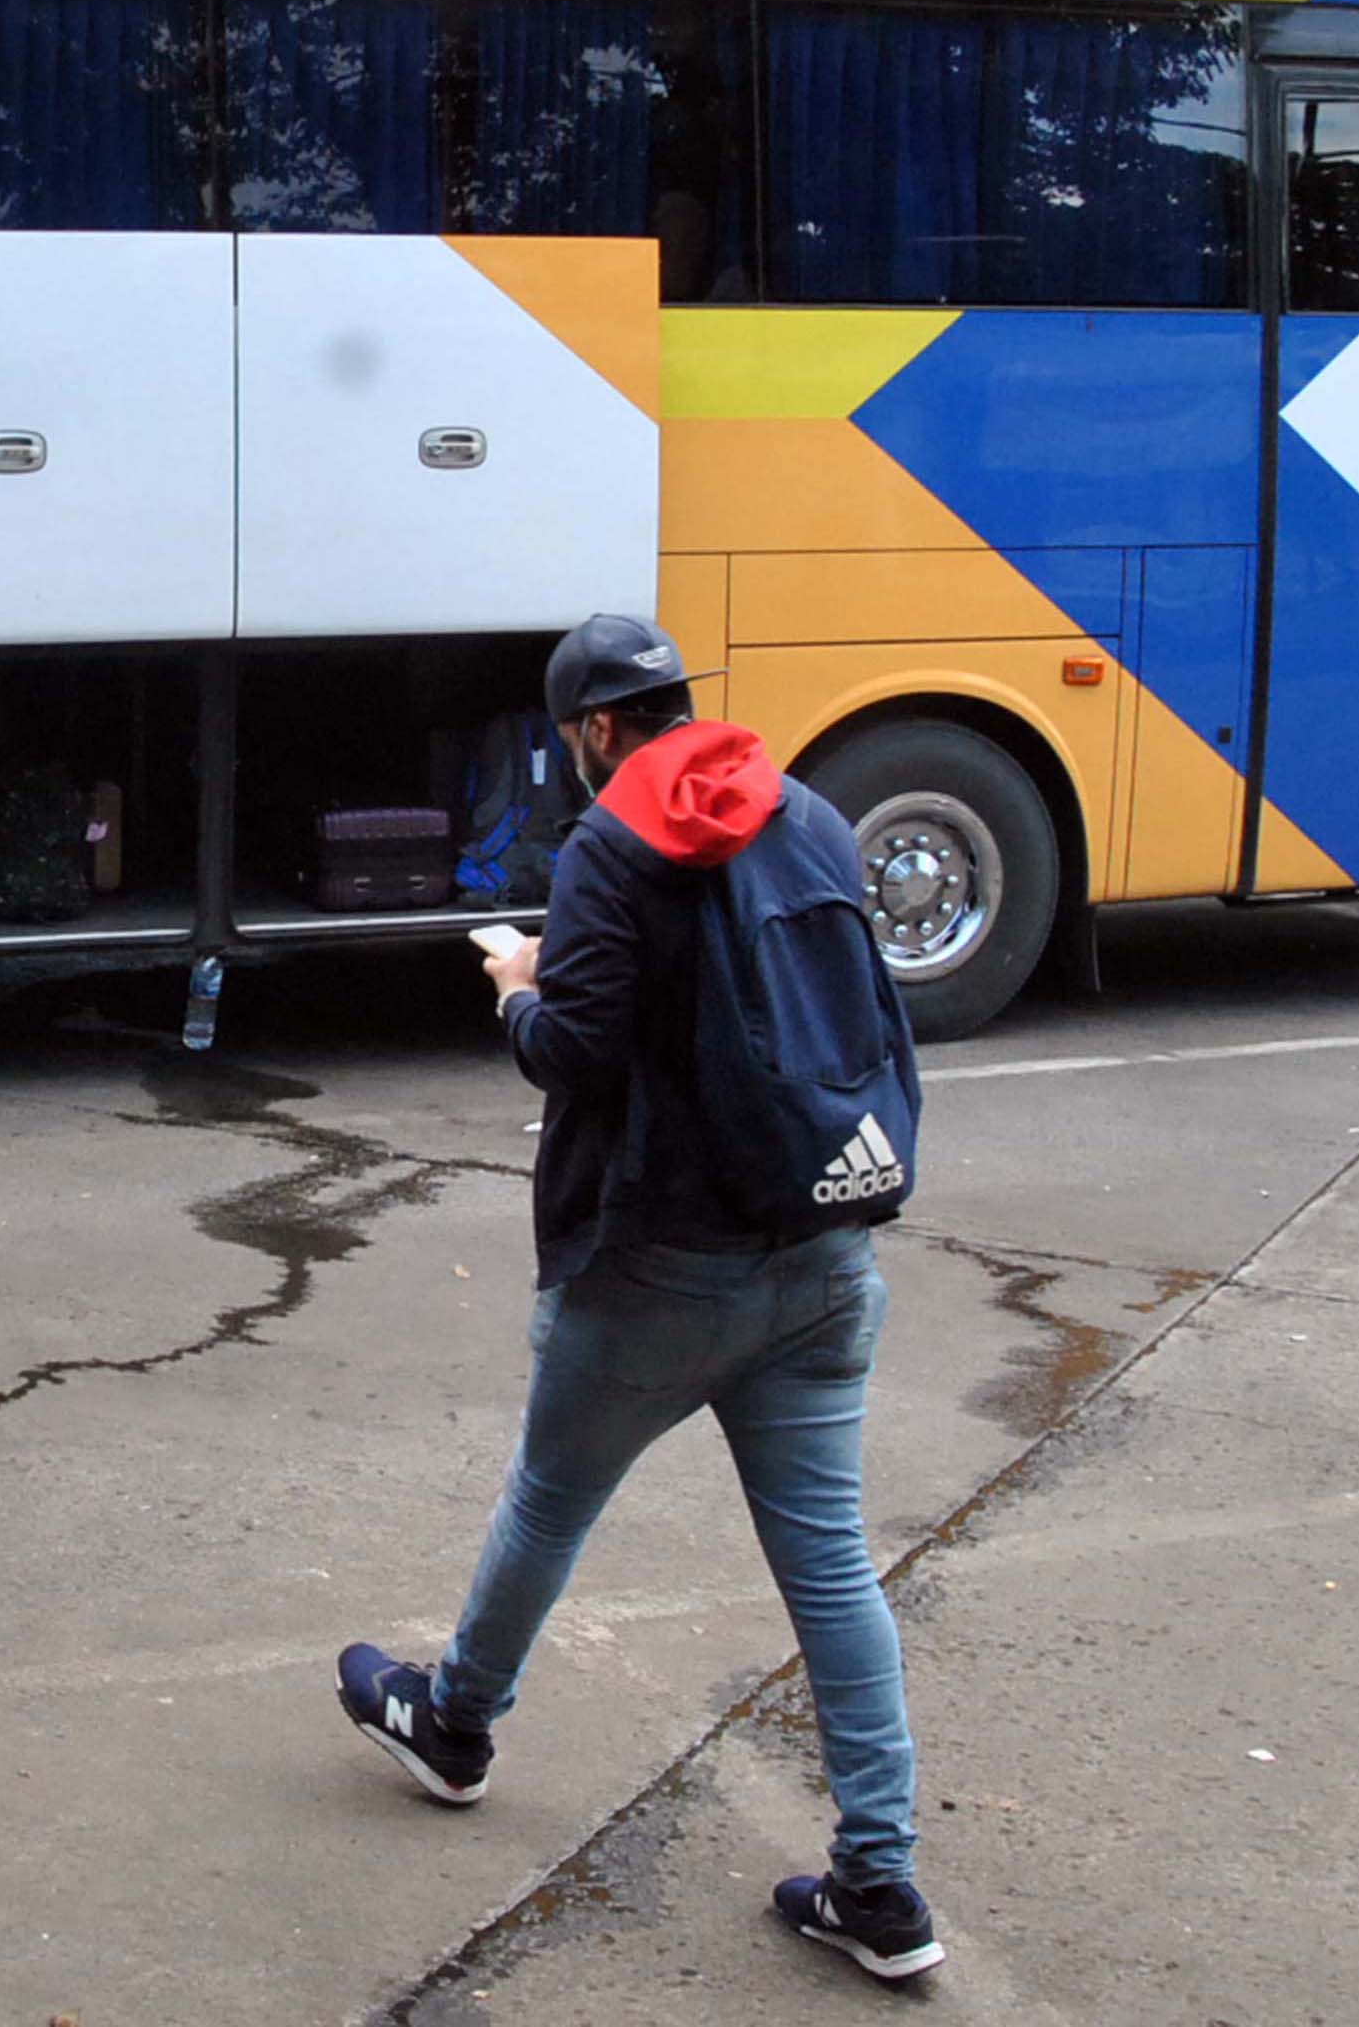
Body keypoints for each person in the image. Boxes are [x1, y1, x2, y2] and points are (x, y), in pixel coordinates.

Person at [333, 613, 941, 1984]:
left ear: (597, 729)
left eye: (572, 741)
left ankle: (456, 1726)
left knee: (552, 1494)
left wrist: (515, 988)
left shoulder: (612, 845)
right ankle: (882, 1880)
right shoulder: (807, 811)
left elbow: (579, 1054)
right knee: (832, 1563)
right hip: (824, 1251)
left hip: (661, 1266)